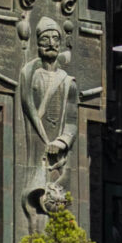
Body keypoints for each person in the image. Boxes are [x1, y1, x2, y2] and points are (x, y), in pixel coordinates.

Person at [18, 19, 79, 226]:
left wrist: (62, 142)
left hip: (56, 154)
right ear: (37, 43)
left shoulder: (68, 82)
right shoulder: (29, 74)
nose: (51, 43)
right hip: (35, 146)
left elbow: (72, 122)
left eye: (55, 38)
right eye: (45, 38)